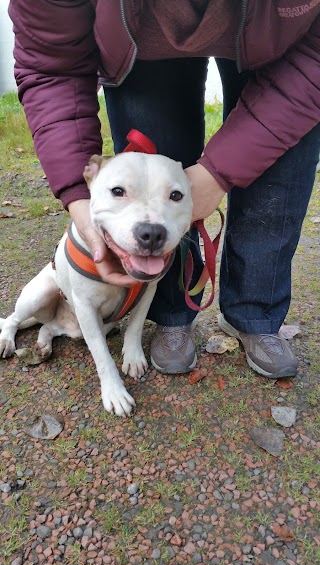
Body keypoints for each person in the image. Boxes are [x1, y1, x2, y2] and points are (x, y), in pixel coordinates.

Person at [9, 1, 320, 379]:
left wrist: (216, 175)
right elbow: (49, 63)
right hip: (144, 39)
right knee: (151, 174)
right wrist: (79, 196)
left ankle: (256, 313)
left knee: (277, 186)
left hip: (289, 41)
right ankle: (172, 312)